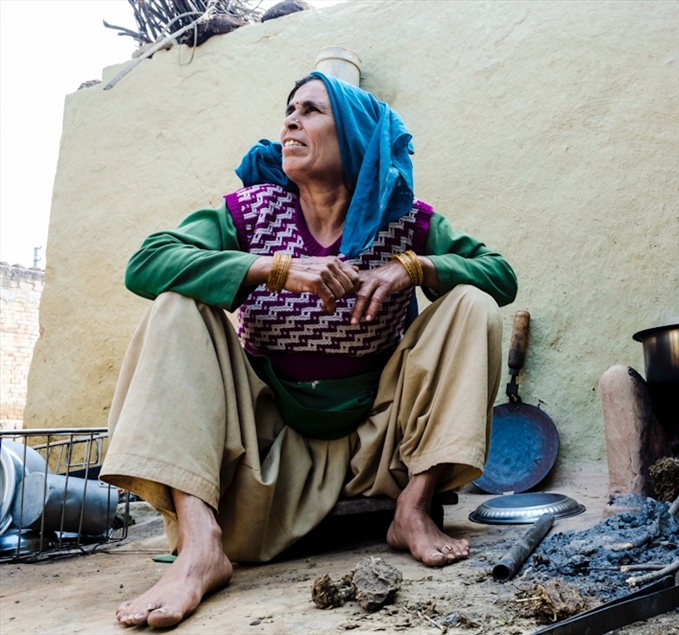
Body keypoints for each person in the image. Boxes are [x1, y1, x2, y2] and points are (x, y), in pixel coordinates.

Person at [101, 72, 517, 628]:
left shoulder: (406, 220)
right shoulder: (250, 211)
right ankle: (200, 547)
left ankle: (414, 509)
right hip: (267, 444)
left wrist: (413, 267)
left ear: (356, 137)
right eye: (289, 110)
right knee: (175, 305)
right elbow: (147, 263)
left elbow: (500, 276)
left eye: (312, 111)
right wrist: (274, 269)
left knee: (473, 303)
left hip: (380, 442)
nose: (291, 122)